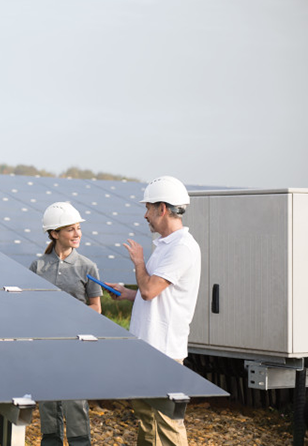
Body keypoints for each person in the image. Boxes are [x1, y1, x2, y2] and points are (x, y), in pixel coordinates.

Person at [106, 176, 201, 446]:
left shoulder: (181, 248)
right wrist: (127, 295)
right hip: (148, 349)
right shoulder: (166, 246)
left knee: (167, 426)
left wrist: (138, 262)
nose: (145, 215)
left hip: (164, 353)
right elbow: (155, 296)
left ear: (162, 208)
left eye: (148, 208)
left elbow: (149, 290)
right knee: (148, 422)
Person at [29, 201, 102, 446]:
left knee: (75, 401)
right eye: (70, 229)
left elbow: (96, 308)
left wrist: (70, 321)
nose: (77, 233)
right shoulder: (37, 267)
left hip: (75, 345)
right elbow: (30, 308)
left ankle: (80, 442)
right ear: (54, 233)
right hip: (46, 345)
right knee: (48, 402)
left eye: (78, 228)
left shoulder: (87, 266)